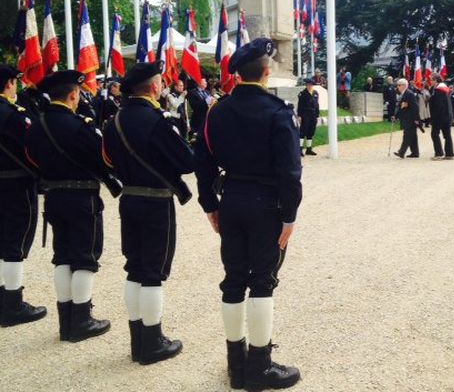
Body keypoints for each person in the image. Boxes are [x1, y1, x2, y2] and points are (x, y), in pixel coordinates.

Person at [195, 38, 302, 391]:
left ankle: (236, 366)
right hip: (266, 204)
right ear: (266, 73)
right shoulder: (277, 112)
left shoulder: (217, 111)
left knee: (233, 279)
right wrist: (290, 215)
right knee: (262, 280)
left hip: (232, 200)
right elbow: (289, 171)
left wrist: (210, 204)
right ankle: (259, 366)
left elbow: (204, 161)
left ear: (237, 75)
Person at [103, 62, 194, 365]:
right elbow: (185, 161)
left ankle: (137, 341)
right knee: (153, 272)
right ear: (154, 87)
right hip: (155, 202)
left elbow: (108, 160)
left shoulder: (114, 120)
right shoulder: (157, 120)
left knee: (135, 268)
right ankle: (152, 342)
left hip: (129, 199)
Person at [25, 70, 122, 341]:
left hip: (54, 197)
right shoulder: (80, 126)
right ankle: (81, 320)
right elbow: (104, 159)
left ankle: (65, 320)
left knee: (62, 256)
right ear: (72, 95)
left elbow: (30, 157)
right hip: (82, 199)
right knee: (84, 257)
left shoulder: (38, 124)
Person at [0, 65, 46, 327]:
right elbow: (32, 149)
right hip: (15, 184)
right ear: (8, 83)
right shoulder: (14, 115)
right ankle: (13, 305)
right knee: (14, 244)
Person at [429, 73, 454, 160]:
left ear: (436, 80)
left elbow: (438, 106)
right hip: (447, 116)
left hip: (439, 117)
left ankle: (439, 153)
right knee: (447, 135)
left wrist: (434, 118)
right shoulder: (444, 89)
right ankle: (449, 154)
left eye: (431, 80)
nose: (430, 81)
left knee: (434, 134)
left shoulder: (439, 90)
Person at [393, 78, 420, 159]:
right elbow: (401, 106)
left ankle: (401, 152)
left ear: (404, 86)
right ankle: (415, 152)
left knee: (407, 135)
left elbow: (415, 107)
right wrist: (396, 115)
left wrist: (416, 118)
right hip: (407, 118)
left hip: (410, 118)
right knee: (413, 136)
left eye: (399, 85)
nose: (397, 87)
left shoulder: (409, 94)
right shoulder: (405, 94)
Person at [298, 78, 320, 156]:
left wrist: (317, 115)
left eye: (310, 84)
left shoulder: (315, 93)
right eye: (308, 84)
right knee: (303, 131)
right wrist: (299, 116)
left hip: (313, 114)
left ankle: (309, 149)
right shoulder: (302, 93)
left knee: (311, 131)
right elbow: (300, 105)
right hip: (305, 114)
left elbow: (317, 105)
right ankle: (299, 149)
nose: (309, 86)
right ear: (306, 85)